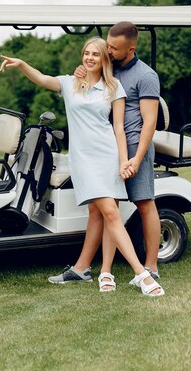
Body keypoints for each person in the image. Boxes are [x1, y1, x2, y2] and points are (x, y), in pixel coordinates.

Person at [0, 37, 164, 297]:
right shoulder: (69, 82)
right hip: (83, 159)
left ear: (103, 59)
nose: (90, 58)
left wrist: (123, 161)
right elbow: (42, 78)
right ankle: (141, 275)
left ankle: (99, 271)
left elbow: (119, 129)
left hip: (108, 156)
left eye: (96, 55)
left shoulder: (114, 87)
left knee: (104, 213)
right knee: (109, 212)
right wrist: (21, 64)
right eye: (86, 53)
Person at [48, 22, 162, 293]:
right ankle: (88, 267)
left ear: (130, 49)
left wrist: (135, 158)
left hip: (135, 147)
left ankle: (151, 267)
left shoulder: (146, 76)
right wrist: (84, 70)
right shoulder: (111, 68)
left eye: (114, 48)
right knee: (100, 208)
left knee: (144, 204)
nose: (108, 51)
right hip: (107, 148)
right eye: (107, 46)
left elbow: (149, 122)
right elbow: (93, 76)